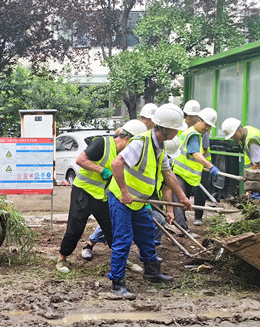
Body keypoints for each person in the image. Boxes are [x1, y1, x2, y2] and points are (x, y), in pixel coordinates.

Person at [107, 104, 192, 299]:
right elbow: (116, 163)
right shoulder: (141, 143)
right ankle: (117, 283)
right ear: (165, 128)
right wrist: (124, 191)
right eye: (176, 129)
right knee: (124, 239)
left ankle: (152, 271)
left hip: (139, 201)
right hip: (123, 200)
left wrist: (183, 197)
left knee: (146, 234)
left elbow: (167, 173)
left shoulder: (160, 147)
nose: (178, 132)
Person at [56, 120, 148, 273]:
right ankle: (61, 259)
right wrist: (101, 170)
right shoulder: (102, 143)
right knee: (75, 228)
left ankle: (123, 259)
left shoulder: (125, 155)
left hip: (103, 197)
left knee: (113, 229)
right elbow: (81, 160)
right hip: (83, 193)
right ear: (128, 139)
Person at [171, 107, 220, 231]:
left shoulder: (192, 133)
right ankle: (182, 229)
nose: (207, 128)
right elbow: (195, 153)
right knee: (180, 201)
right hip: (180, 172)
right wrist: (211, 166)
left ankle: (181, 227)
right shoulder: (193, 135)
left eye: (210, 126)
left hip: (182, 172)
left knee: (181, 200)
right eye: (206, 125)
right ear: (199, 120)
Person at [221, 118, 260, 189]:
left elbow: (256, 163)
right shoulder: (246, 133)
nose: (232, 138)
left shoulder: (252, 140)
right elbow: (249, 160)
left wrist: (250, 186)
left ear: (239, 129)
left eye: (233, 135)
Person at [182, 100, 213, 226]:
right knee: (184, 192)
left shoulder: (203, 129)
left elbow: (203, 149)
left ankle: (198, 217)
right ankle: (182, 218)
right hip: (185, 167)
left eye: (194, 116)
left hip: (201, 166)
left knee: (200, 192)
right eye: (189, 116)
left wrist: (203, 163)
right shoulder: (182, 127)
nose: (191, 118)